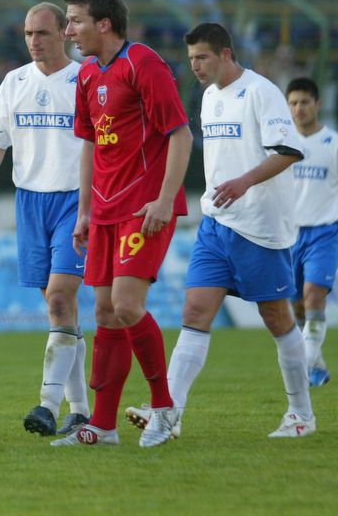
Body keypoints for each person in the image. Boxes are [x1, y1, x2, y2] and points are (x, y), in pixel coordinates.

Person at [126, 25, 314, 442]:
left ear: (225, 54)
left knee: (277, 318)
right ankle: (169, 412)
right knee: (194, 311)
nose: (194, 66)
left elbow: (289, 150)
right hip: (216, 224)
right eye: (191, 58)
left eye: (202, 58)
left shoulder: (261, 92)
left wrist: (244, 182)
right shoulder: (209, 98)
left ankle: (301, 413)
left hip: (260, 228)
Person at [50, 0, 192, 449]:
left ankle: (165, 409)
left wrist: (165, 198)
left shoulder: (143, 63)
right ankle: (103, 427)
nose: (68, 29)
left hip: (145, 206)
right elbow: (89, 144)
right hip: (106, 211)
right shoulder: (88, 74)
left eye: (74, 20)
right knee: (106, 314)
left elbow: (180, 134)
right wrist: (85, 212)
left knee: (128, 306)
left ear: (103, 24)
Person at [0, 3, 90, 437]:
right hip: (30, 202)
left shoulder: (84, 79)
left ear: (64, 34)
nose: (34, 41)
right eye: (29, 33)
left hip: (74, 200)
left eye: (43, 33)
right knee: (60, 309)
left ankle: (48, 405)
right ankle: (81, 409)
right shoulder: (14, 82)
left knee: (58, 299)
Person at [285, 77, 336, 386]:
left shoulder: (333, 144)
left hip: (325, 232)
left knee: (313, 295)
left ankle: (304, 367)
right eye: (292, 103)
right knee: (296, 305)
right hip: (289, 235)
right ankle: (316, 362)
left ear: (317, 104)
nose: (298, 108)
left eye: (304, 102)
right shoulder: (282, 145)